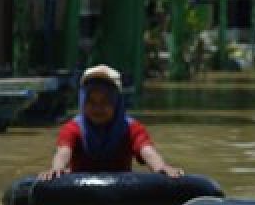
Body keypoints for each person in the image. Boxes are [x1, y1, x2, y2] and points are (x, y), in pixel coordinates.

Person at [39, 65, 181, 180]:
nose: (97, 108)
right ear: (82, 102)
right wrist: (57, 168)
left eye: (105, 102)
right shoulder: (73, 128)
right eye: (91, 102)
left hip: (120, 189)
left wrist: (160, 167)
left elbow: (147, 151)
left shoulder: (132, 129)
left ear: (117, 103)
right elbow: (63, 151)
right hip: (81, 190)